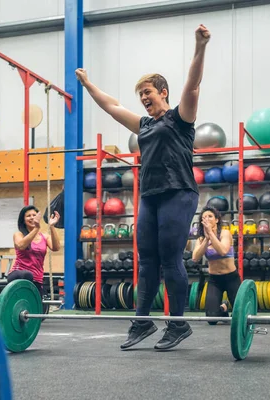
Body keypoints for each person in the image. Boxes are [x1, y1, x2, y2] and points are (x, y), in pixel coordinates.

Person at [76, 24, 211, 351]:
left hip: (179, 192)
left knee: (169, 257)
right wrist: (88, 84)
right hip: (149, 196)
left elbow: (192, 86)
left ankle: (177, 324)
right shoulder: (145, 125)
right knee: (146, 258)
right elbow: (111, 106)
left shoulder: (181, 119)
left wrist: (199, 47)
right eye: (140, 96)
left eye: (147, 92)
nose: (143, 99)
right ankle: (141, 321)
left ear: (163, 91)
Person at [191, 206, 242, 322]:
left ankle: (230, 308)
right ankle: (223, 308)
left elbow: (223, 251)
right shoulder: (201, 239)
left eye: (210, 216)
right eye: (204, 217)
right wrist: (206, 239)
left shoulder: (225, 233)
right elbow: (195, 258)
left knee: (240, 315)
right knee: (211, 319)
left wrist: (211, 235)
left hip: (231, 278)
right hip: (214, 280)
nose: (207, 219)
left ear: (217, 220)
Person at [8, 205, 61, 299]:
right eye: (28, 216)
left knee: (38, 310)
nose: (32, 217)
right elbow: (21, 246)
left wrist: (52, 226)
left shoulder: (45, 237)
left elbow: (56, 247)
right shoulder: (18, 234)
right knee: (27, 274)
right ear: (23, 220)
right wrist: (36, 228)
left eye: (34, 215)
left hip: (37, 279)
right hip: (18, 275)